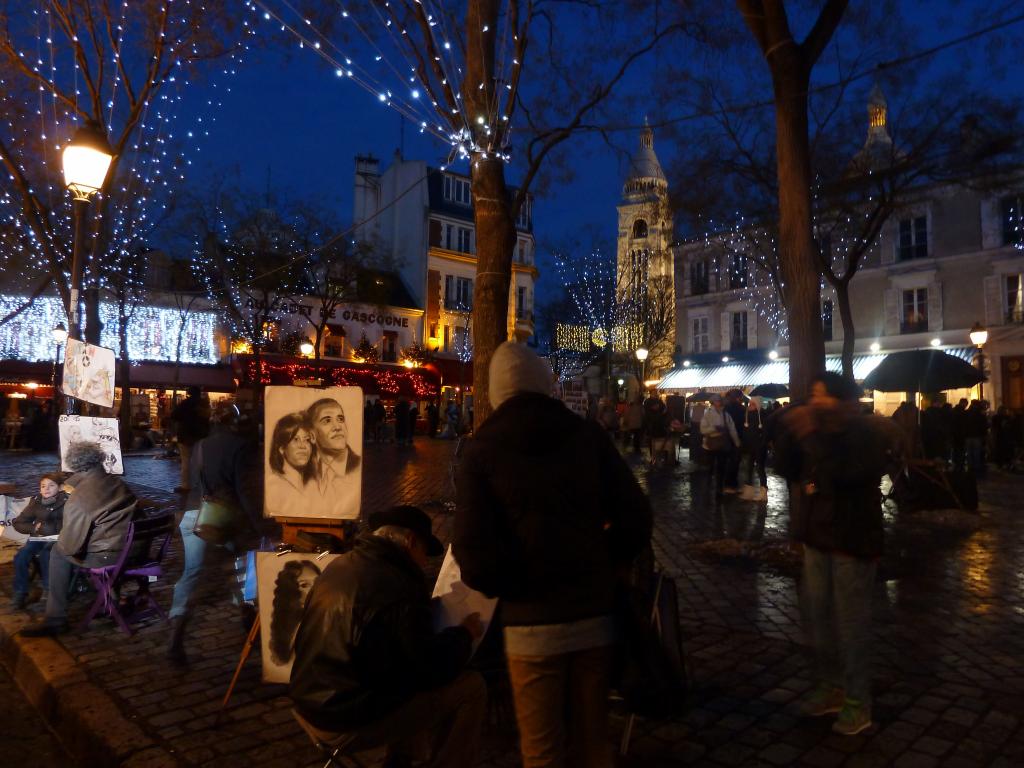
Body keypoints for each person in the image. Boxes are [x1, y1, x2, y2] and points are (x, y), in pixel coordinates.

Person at [454, 342, 653, 768]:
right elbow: (636, 516)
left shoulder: (480, 450)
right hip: (594, 614)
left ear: (494, 391)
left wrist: (516, 587)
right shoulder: (587, 435)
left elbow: (472, 556)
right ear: (546, 384)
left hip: (531, 625)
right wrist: (603, 561)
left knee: (542, 750)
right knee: (594, 743)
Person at [290, 505, 486, 768]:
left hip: (307, 700)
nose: (425, 562)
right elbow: (429, 669)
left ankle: (401, 761)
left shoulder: (341, 564)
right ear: (410, 541)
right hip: (342, 716)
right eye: (424, 552)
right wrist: (464, 634)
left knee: (402, 676)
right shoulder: (399, 585)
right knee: (471, 687)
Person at [774, 373, 905, 736]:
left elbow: (844, 474)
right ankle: (830, 687)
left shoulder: (865, 435)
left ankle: (857, 701)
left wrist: (809, 435)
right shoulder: (817, 434)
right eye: (813, 395)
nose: (815, 402)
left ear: (844, 402)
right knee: (818, 619)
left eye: (823, 396)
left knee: (850, 624)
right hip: (817, 536)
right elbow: (787, 469)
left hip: (852, 540)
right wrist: (789, 433)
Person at [166, 405, 262, 665]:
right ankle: (251, 626)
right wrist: (258, 524)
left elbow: (195, 482)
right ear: (237, 422)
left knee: (192, 572)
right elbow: (244, 490)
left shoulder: (200, 446)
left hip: (195, 514)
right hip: (225, 517)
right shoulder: (241, 447)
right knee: (244, 567)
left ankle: (176, 634)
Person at [20, 443, 138, 637]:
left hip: (109, 557)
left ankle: (55, 619)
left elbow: (71, 547)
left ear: (75, 466)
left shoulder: (79, 499)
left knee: (58, 551)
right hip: (133, 550)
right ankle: (110, 602)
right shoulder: (117, 483)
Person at [10, 473, 68, 609]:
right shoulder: (36, 501)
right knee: (21, 556)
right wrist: (33, 527)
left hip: (60, 539)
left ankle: (48, 591)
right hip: (38, 538)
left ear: (60, 488)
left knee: (46, 555)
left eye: (51, 485)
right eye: (43, 486)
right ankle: (20, 592)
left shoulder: (68, 501)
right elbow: (18, 522)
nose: (46, 489)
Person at [307, 398, 362, 518]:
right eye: (327, 421)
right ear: (312, 434)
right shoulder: (305, 469)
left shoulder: (357, 465)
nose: (337, 427)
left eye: (340, 419)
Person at [269, 559, 321, 667]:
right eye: (304, 585)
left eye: (317, 582)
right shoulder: (296, 626)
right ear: (291, 591)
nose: (315, 589)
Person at [265, 412, 316, 516]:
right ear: (282, 448)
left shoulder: (310, 485)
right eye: (296, 440)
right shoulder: (275, 486)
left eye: (307, 440)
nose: (303, 446)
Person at [170, 386, 210, 493]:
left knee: (186, 460)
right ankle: (201, 484)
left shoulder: (185, 404)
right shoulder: (204, 404)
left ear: (189, 393)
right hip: (201, 435)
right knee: (200, 460)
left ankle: (186, 485)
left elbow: (174, 415)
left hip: (186, 435)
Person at [701, 394, 740, 496]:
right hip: (710, 445)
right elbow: (703, 430)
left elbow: (732, 429)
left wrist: (736, 442)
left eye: (720, 401)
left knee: (721, 467)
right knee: (711, 467)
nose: (719, 403)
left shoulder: (725, 415)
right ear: (713, 403)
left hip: (722, 445)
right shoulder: (708, 414)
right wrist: (714, 429)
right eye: (717, 401)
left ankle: (718, 488)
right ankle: (708, 487)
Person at [740, 396, 768, 501]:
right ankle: (749, 491)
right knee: (749, 467)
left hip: (759, 446)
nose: (750, 406)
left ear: (757, 405)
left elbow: (764, 432)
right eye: (750, 403)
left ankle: (763, 491)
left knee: (760, 468)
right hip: (750, 446)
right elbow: (746, 431)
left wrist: (762, 443)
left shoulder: (762, 416)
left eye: (752, 404)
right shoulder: (747, 415)